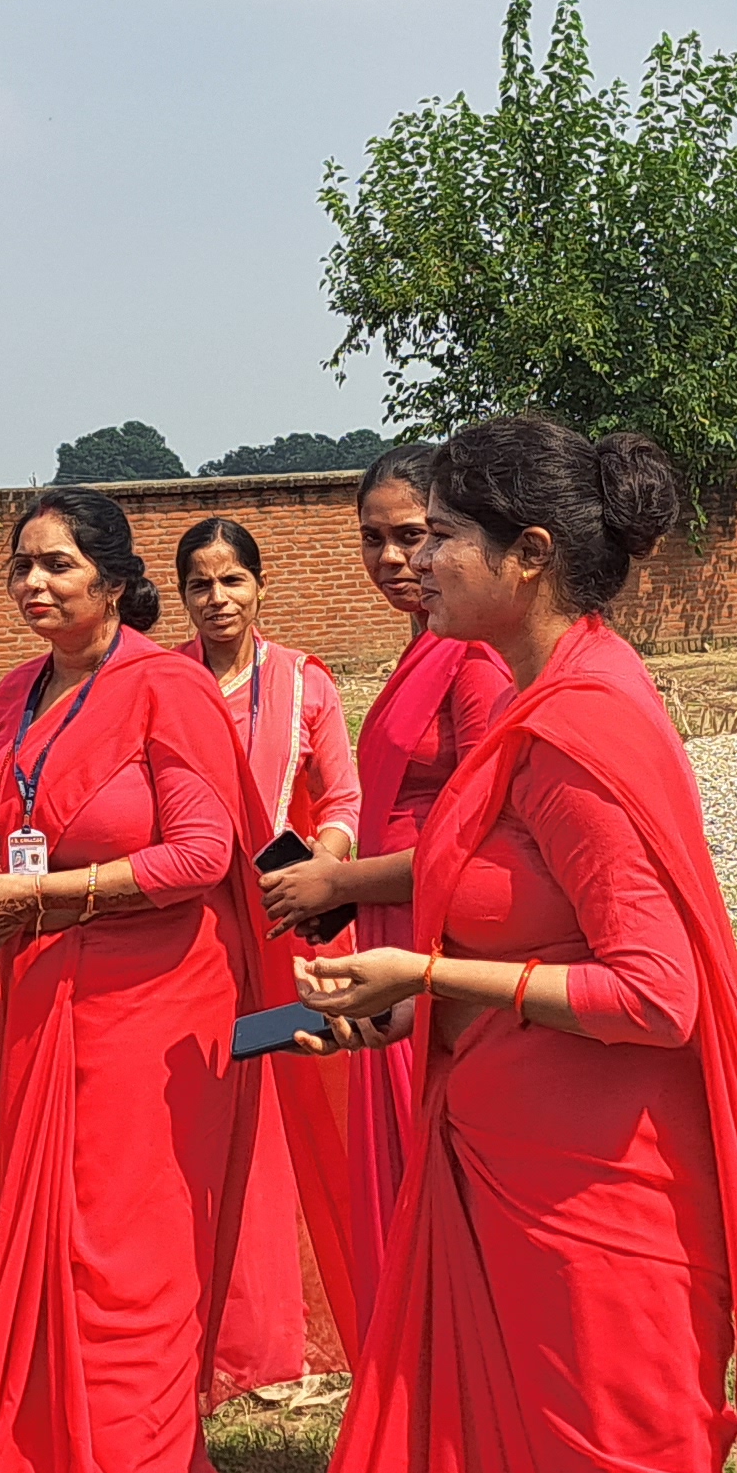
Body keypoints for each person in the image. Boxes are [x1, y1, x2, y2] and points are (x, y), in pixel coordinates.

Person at [280, 414, 737, 1473]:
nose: (415, 560)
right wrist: (404, 1009)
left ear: (529, 553)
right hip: (514, 1164)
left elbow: (657, 993)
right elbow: (541, 934)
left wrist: (429, 968)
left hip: (597, 1196)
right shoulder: (539, 700)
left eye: (440, 535)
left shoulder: (580, 726)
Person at [0, 484, 276, 1473]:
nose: (34, 582)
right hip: (40, 996)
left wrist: (50, 896)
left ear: (115, 581)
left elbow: (201, 855)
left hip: (155, 1007)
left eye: (59, 564)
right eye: (22, 564)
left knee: (129, 1249)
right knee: (53, 1240)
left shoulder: (168, 687)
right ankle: (52, 1457)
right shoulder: (11, 694)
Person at [259, 440, 512, 1343]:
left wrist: (342, 879)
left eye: (415, 535)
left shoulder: (477, 659)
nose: (394, 559)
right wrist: (346, 892)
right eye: (374, 538)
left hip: (442, 941)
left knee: (443, 1183)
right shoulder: (424, 646)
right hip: (391, 923)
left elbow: (483, 838)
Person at [177, 513, 363, 1398]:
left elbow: (344, 797)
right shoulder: (164, 684)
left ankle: (299, 1327)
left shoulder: (303, 682)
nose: (218, 599)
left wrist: (322, 870)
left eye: (233, 581)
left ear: (260, 587)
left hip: (289, 920)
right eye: (200, 584)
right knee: (214, 1103)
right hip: (194, 926)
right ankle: (227, 1327)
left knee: (298, 1109)